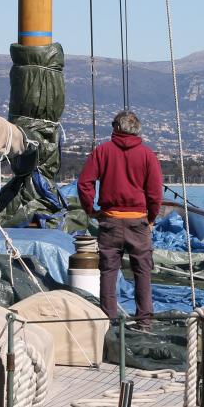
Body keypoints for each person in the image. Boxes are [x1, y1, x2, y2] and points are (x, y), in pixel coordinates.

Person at [77, 110, 163, 326]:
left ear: (117, 127)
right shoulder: (147, 155)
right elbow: (155, 193)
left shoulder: (102, 152)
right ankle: (145, 323)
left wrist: (91, 210)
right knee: (142, 273)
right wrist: (150, 218)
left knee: (108, 272)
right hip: (138, 222)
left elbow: (84, 183)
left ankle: (108, 323)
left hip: (110, 221)